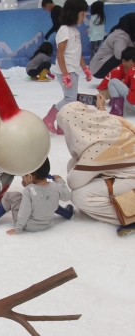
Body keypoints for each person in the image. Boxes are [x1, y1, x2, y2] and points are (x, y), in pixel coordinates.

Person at [57, 100, 135, 236]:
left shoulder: (97, 149)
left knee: (79, 196)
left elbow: (74, 182)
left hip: (131, 176)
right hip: (128, 165)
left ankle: (129, 216)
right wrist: (101, 107)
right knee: (74, 164)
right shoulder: (112, 121)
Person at [0, 158, 73, 232]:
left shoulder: (29, 190)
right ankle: (67, 213)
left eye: (24, 176)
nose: (22, 179)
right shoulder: (55, 187)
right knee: (49, 199)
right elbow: (67, 196)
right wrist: (60, 181)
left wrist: (18, 229)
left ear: (30, 177)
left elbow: (25, 212)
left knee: (12, 196)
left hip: (28, 224)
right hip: (47, 223)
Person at [43, 0, 91, 135]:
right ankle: (49, 118)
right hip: (66, 70)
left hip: (72, 70)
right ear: (74, 13)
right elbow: (60, 54)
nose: (83, 17)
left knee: (70, 99)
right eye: (82, 14)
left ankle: (61, 126)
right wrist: (65, 74)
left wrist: (85, 69)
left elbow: (78, 53)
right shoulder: (64, 30)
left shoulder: (75, 31)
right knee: (70, 98)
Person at [90, 12, 135, 78]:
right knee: (127, 56)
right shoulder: (120, 35)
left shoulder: (130, 34)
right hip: (98, 67)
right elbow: (119, 55)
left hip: (106, 62)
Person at [96, 46, 135, 117]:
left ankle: (118, 106)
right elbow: (115, 85)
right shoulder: (118, 71)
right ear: (124, 62)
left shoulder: (130, 69)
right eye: (133, 61)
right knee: (117, 82)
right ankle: (116, 104)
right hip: (104, 91)